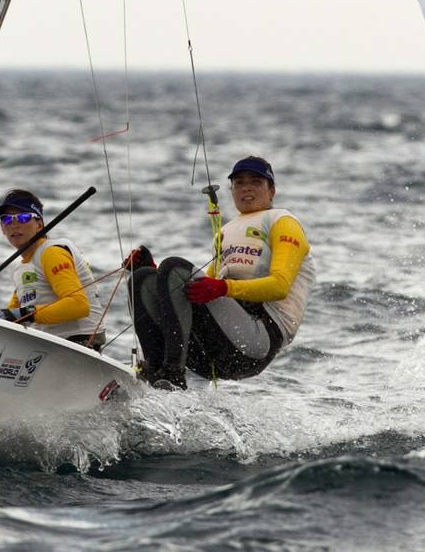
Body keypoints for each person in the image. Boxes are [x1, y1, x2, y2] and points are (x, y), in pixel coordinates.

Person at [125, 156, 314, 389]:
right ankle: (156, 373)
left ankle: (174, 374)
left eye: (256, 181)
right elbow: (199, 294)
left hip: (257, 342)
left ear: (272, 190)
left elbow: (280, 286)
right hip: (215, 349)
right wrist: (154, 274)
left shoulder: (283, 222)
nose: (246, 187)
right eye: (239, 182)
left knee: (174, 266)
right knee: (142, 279)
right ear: (232, 190)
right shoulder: (225, 232)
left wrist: (223, 287)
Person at [0, 189, 107, 350]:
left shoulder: (52, 253)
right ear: (2, 229)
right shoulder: (21, 268)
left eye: (23, 217)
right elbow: (12, 315)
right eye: (7, 220)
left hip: (79, 345)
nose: (15, 224)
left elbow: (79, 305)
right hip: (48, 347)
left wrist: (25, 313)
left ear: (39, 224)